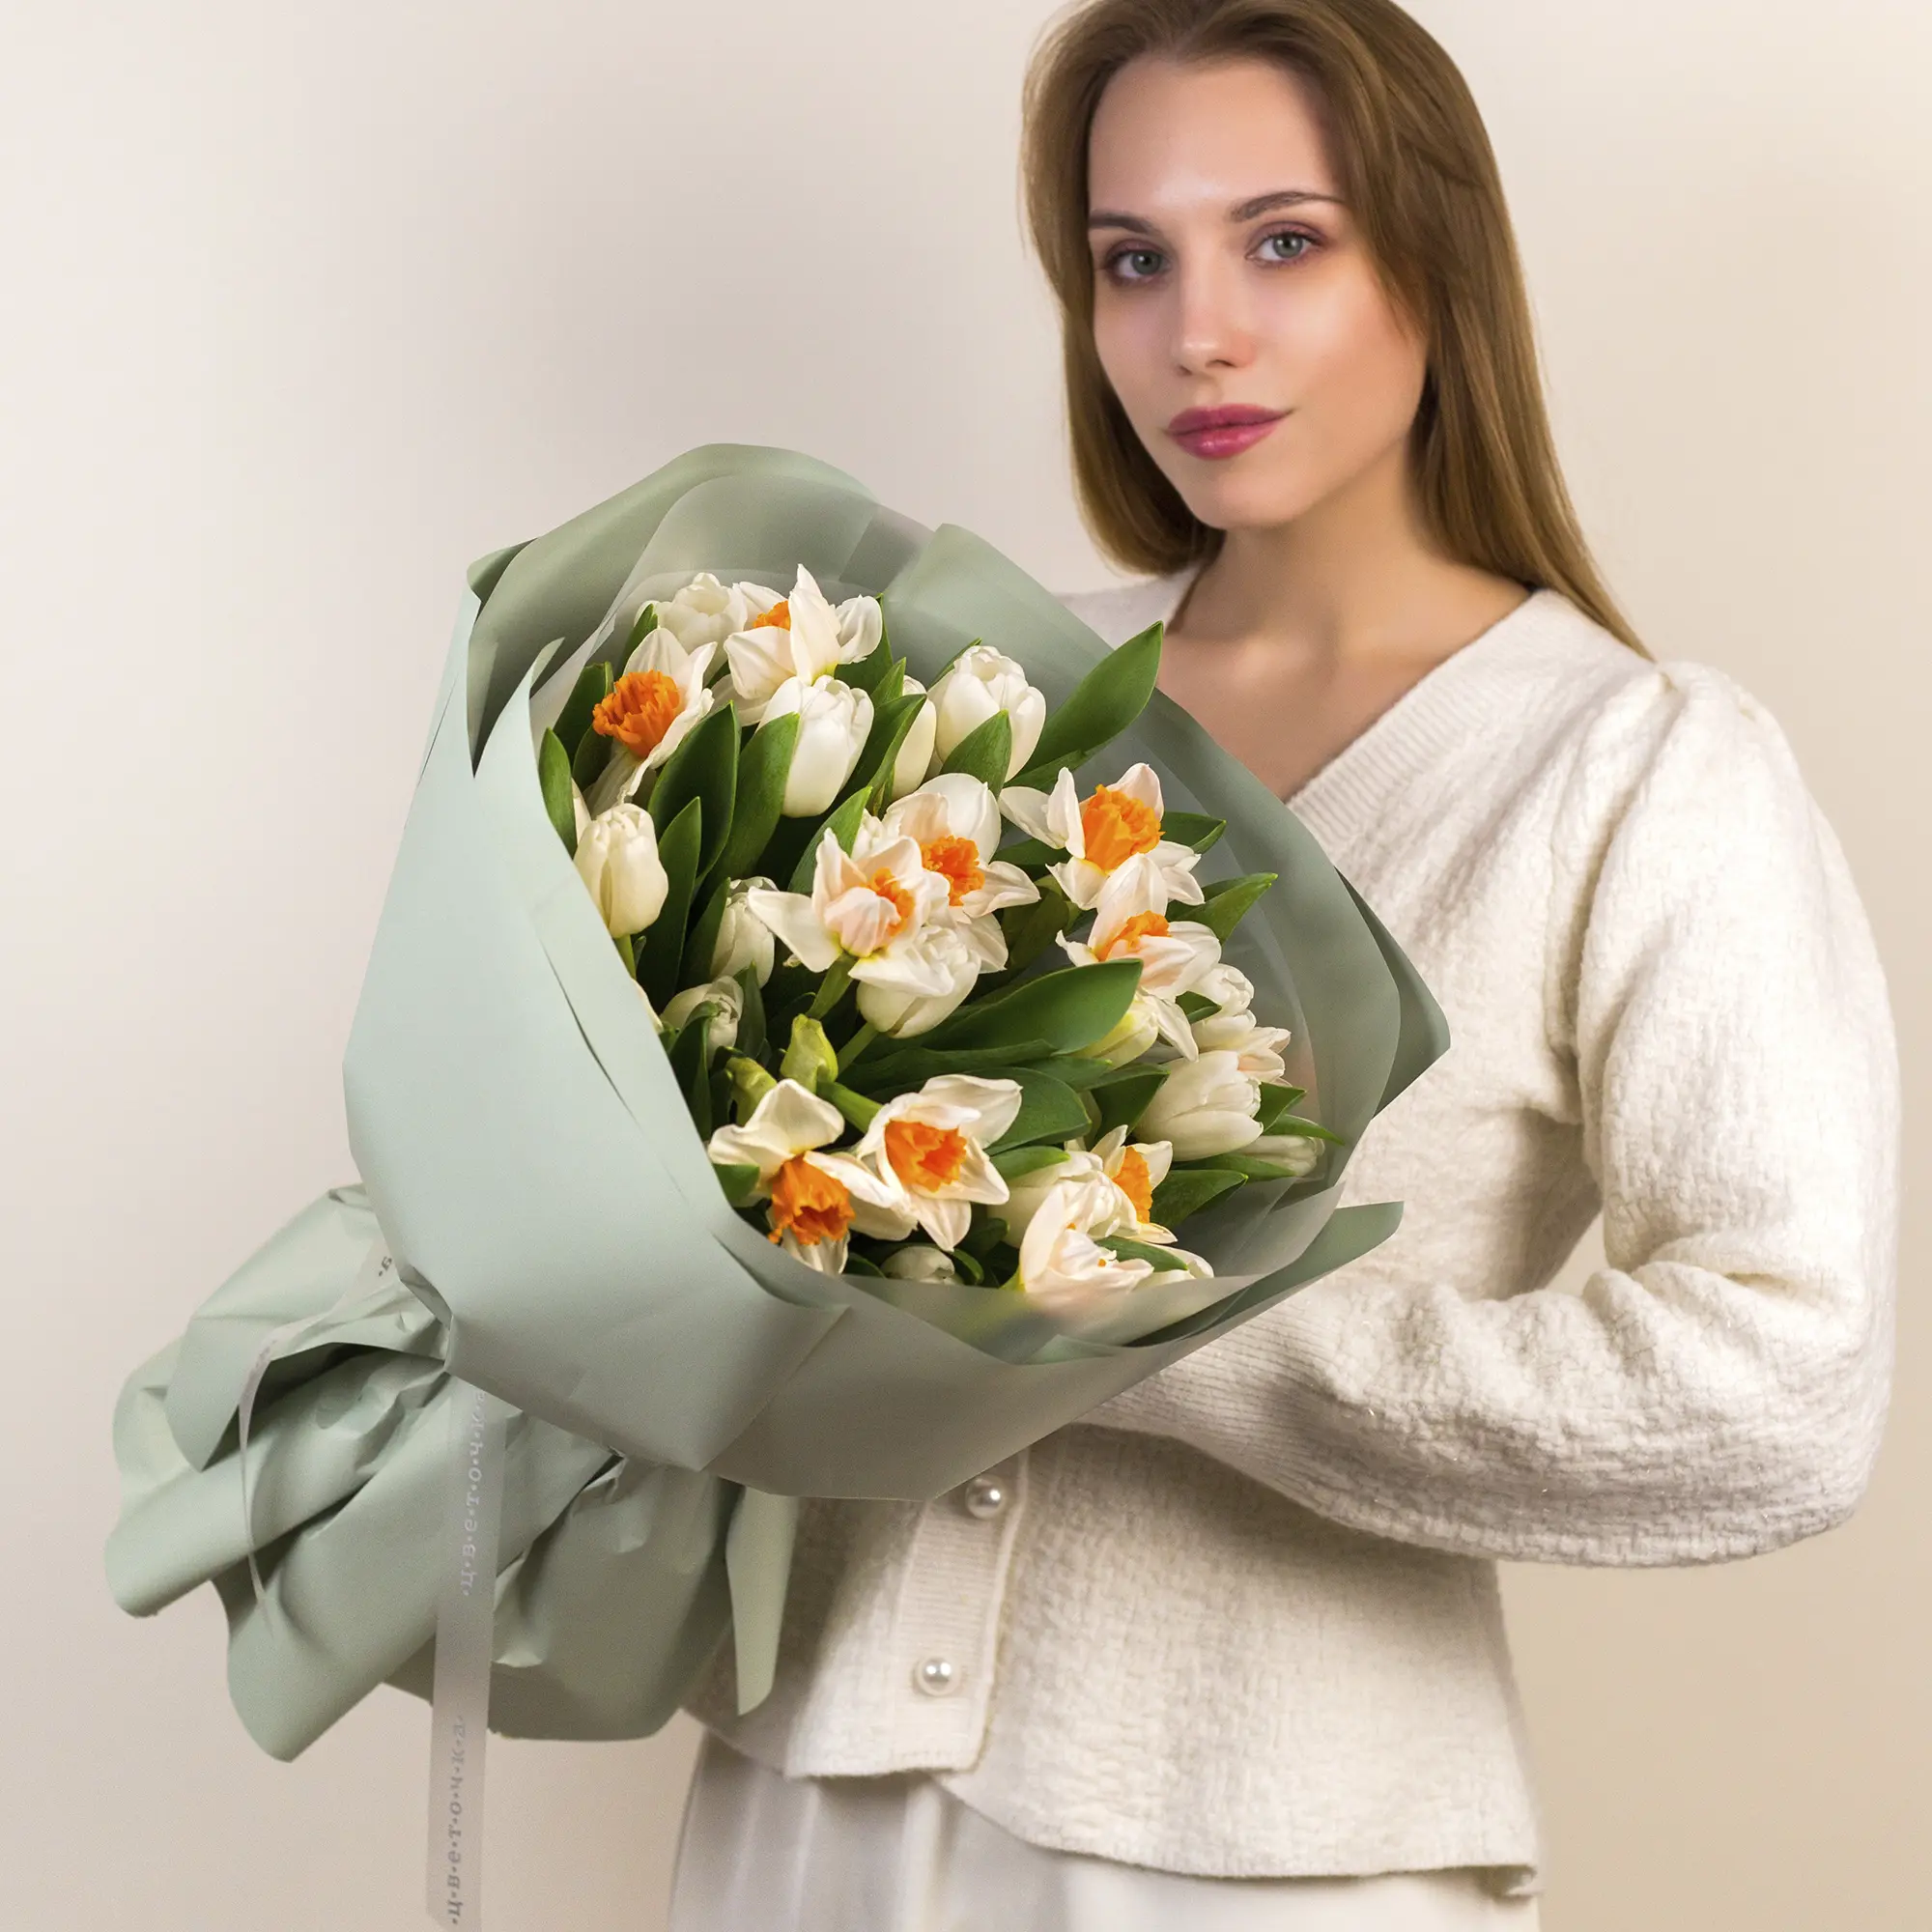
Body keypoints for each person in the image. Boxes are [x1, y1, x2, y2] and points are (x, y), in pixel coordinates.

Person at [668, 2, 1900, 1925]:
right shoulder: (973, 697)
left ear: (1438, 259)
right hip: (800, 1796)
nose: (1198, 334)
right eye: (1131, 261)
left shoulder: (1636, 773)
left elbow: (1778, 1387)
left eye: (1284, 241)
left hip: (1279, 1851)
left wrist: (1144, 1331)